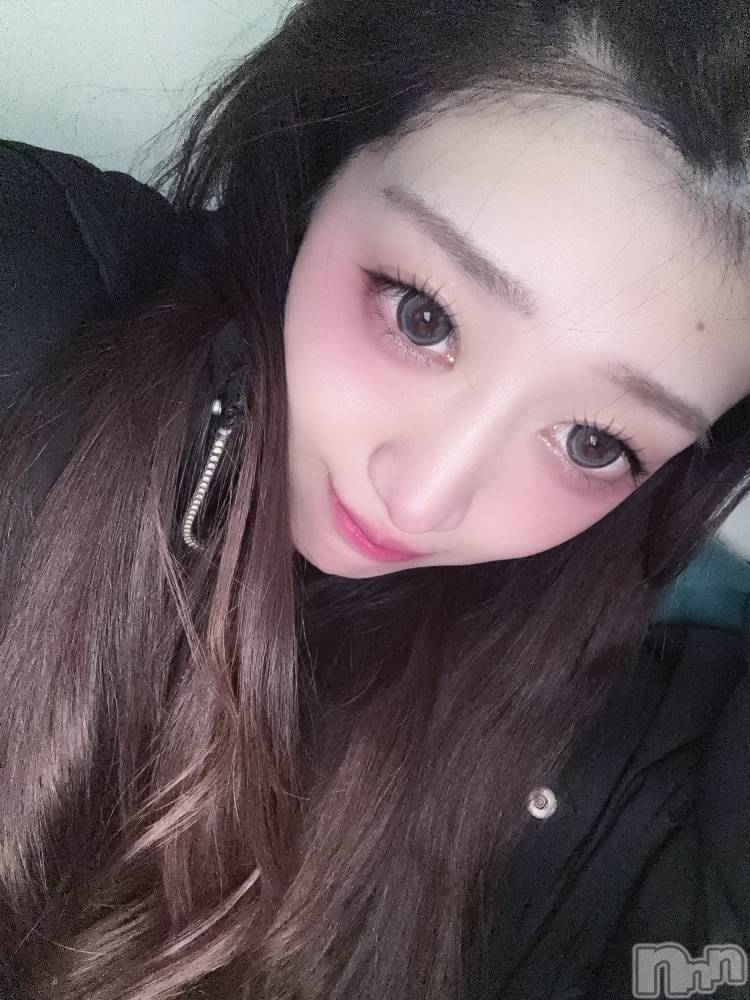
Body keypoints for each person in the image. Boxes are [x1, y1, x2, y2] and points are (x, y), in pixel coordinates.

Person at [1, 0, 749, 997]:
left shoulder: (637, 752)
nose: (423, 499)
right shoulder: (37, 292)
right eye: (422, 314)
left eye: (593, 442)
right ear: (324, 158)